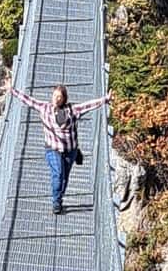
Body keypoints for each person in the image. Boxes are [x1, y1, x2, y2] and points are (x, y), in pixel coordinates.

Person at [9, 83, 112, 214]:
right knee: (58, 174)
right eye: (54, 96)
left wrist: (105, 99)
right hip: (53, 149)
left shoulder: (73, 111)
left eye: (60, 97)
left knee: (64, 178)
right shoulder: (44, 108)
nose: (56, 99)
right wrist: (12, 91)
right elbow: (29, 100)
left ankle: (59, 197)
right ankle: (56, 202)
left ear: (64, 99)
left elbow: (89, 105)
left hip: (70, 150)